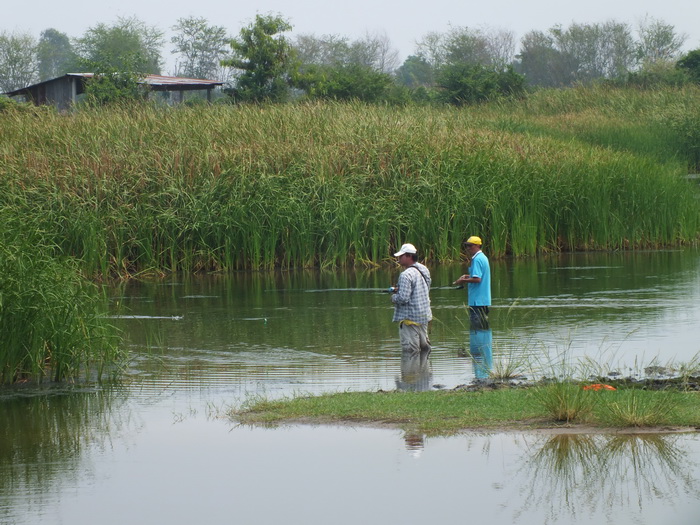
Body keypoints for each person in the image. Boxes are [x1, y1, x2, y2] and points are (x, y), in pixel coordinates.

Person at [391, 243, 432, 361]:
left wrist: (393, 297)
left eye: (401, 256)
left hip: (410, 319)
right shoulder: (424, 269)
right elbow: (425, 288)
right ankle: (423, 377)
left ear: (409, 256)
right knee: (424, 351)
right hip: (424, 316)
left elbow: (403, 299)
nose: (398, 259)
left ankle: (410, 377)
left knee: (411, 353)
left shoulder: (405, 275)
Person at [453, 236, 491, 329]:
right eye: (466, 246)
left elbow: (477, 279)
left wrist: (462, 281)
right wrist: (467, 276)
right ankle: (483, 343)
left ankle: (478, 343)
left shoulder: (477, 259)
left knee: (476, 327)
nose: (468, 248)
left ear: (478, 246)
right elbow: (478, 276)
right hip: (483, 300)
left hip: (477, 301)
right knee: (483, 327)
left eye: (470, 246)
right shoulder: (483, 257)